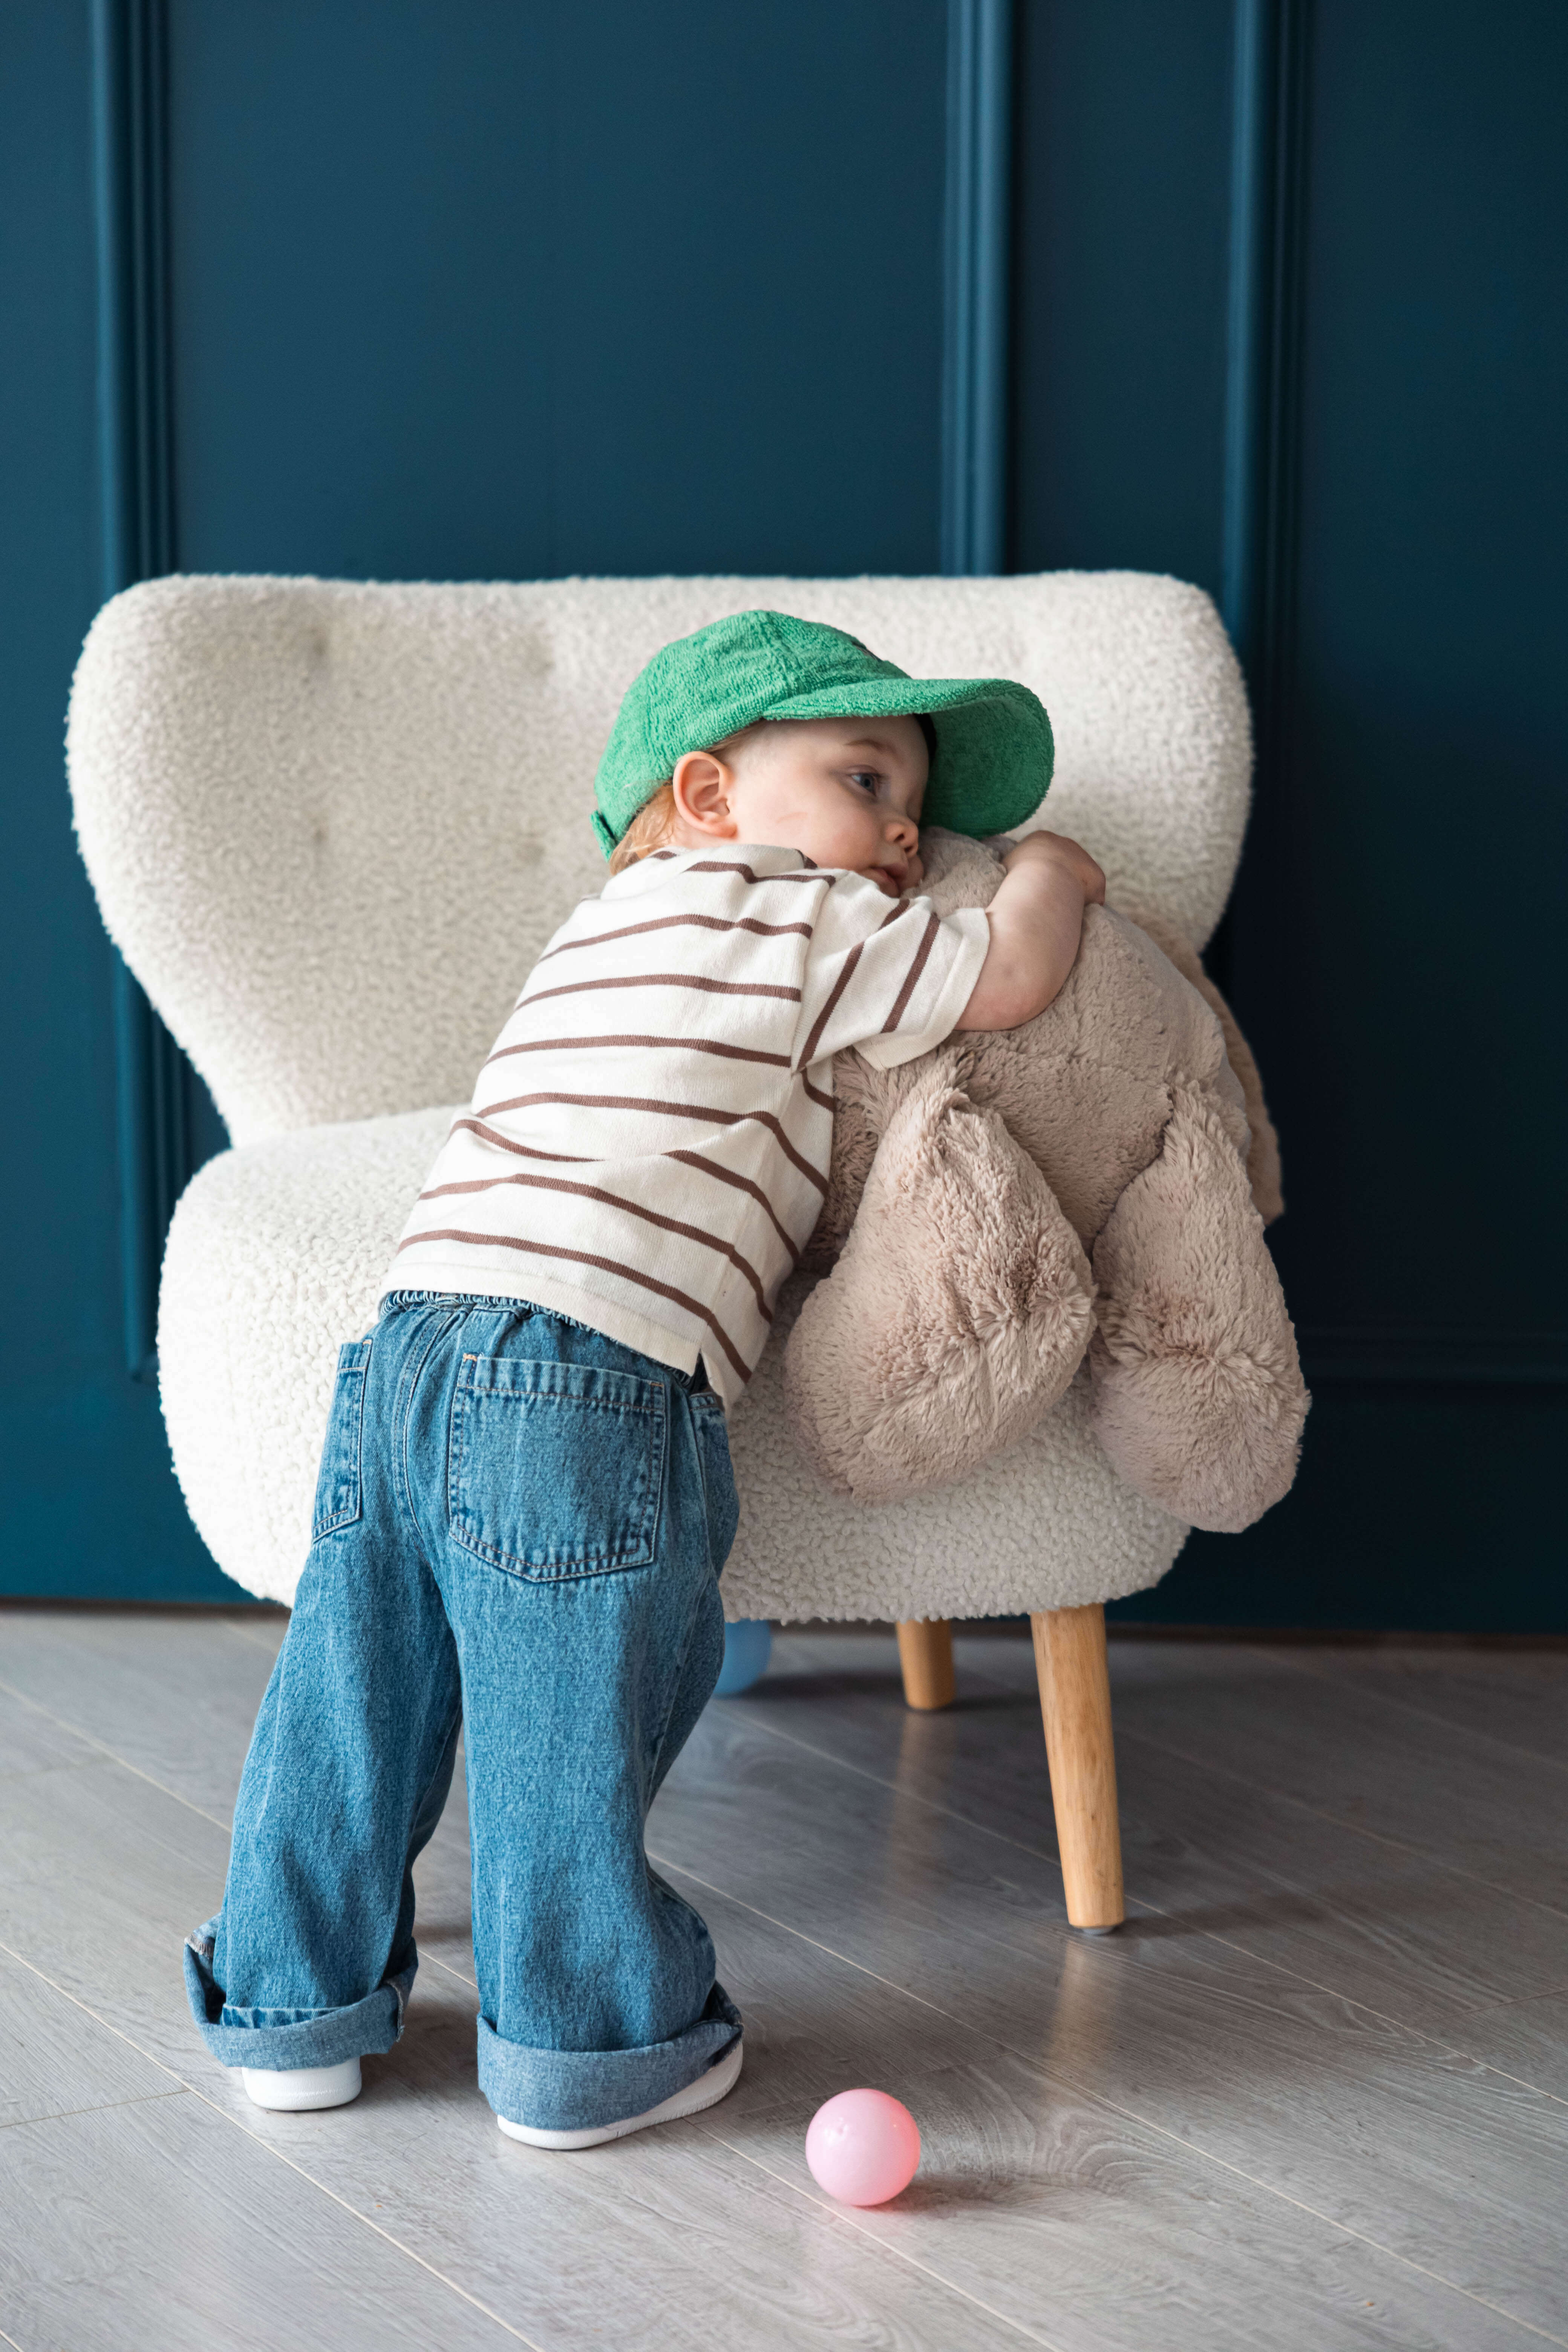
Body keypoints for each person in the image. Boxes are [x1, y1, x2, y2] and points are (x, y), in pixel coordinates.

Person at [182, 609, 1106, 2148]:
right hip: (588, 1368)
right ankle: (587, 2043)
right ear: (706, 797)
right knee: (570, 1716)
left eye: (917, 816)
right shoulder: (794, 918)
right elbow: (1006, 979)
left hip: (408, 1344)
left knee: (353, 1690)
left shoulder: (596, 933)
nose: (898, 838)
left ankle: (288, 2009)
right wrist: (1050, 875)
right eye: (867, 781)